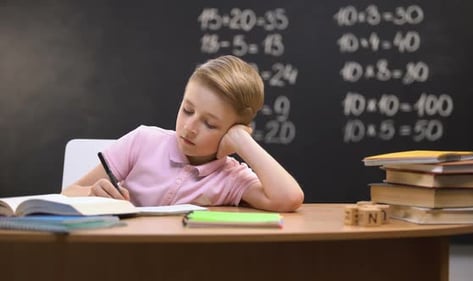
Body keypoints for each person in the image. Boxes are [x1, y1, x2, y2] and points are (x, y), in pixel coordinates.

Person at [62, 55, 304, 212]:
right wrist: (93, 193)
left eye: (210, 124)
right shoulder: (143, 141)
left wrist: (243, 141)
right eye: (187, 110)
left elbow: (289, 198)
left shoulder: (229, 178)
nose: (190, 127)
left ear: (233, 130)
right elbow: (69, 192)